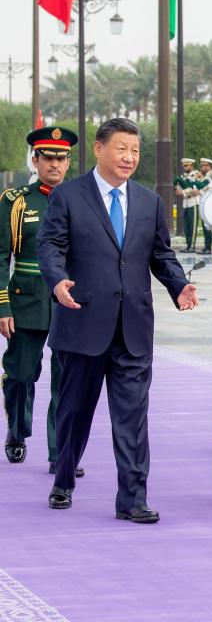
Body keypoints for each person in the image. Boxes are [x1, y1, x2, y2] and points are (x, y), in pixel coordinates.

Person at [38, 118, 199, 521]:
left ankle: (132, 498)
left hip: (133, 329)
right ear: (99, 149)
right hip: (82, 323)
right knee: (74, 412)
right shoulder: (69, 197)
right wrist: (57, 281)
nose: (129, 157)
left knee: (132, 417)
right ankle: (63, 480)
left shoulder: (149, 202)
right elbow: (51, 245)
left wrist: (178, 286)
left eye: (136, 151)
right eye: (121, 148)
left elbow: (160, 254)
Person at [1, 127, 82, 476]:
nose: (55, 163)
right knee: (20, 375)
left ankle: (59, 453)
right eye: (48, 157)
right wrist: (2, 305)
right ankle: (17, 430)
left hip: (69, 300)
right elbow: (1, 255)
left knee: (66, 382)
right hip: (27, 298)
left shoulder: (81, 198)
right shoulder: (15, 200)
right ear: (35, 160)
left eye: (62, 158)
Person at [174, 158, 201, 252]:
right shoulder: (183, 176)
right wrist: (178, 190)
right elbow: (178, 189)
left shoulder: (195, 174)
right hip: (186, 203)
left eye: (187, 165)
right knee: (187, 226)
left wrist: (183, 192)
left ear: (191, 166)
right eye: (184, 166)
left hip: (193, 202)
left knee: (192, 226)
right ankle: (188, 245)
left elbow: (194, 190)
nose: (185, 167)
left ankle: (192, 246)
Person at [194, 158, 212, 254]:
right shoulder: (203, 175)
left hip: (210, 202)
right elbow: (195, 185)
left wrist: (198, 190)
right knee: (205, 225)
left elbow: (209, 187)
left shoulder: (211, 176)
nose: (201, 168)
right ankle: (206, 246)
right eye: (201, 166)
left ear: (208, 166)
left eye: (203, 166)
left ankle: (209, 248)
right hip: (203, 202)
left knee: (209, 225)